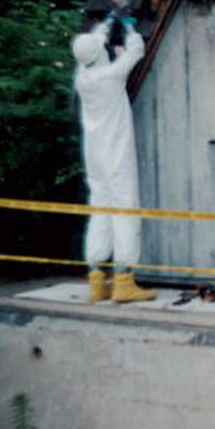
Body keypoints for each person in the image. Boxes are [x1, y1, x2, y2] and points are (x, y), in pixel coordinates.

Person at [73, 17, 156, 304]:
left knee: (100, 211)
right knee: (126, 211)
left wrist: (107, 23)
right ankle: (123, 282)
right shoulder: (110, 76)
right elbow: (137, 50)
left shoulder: (83, 76)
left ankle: (97, 281)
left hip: (94, 156)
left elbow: (92, 47)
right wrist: (129, 27)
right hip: (116, 155)